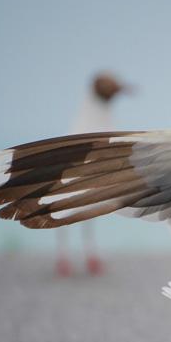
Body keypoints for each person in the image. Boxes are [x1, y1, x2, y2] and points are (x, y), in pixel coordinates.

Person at [55, 72, 132, 276]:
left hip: (90, 157)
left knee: (85, 206)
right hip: (77, 158)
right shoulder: (93, 115)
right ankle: (68, 255)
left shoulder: (94, 111)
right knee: (66, 207)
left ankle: (78, 255)